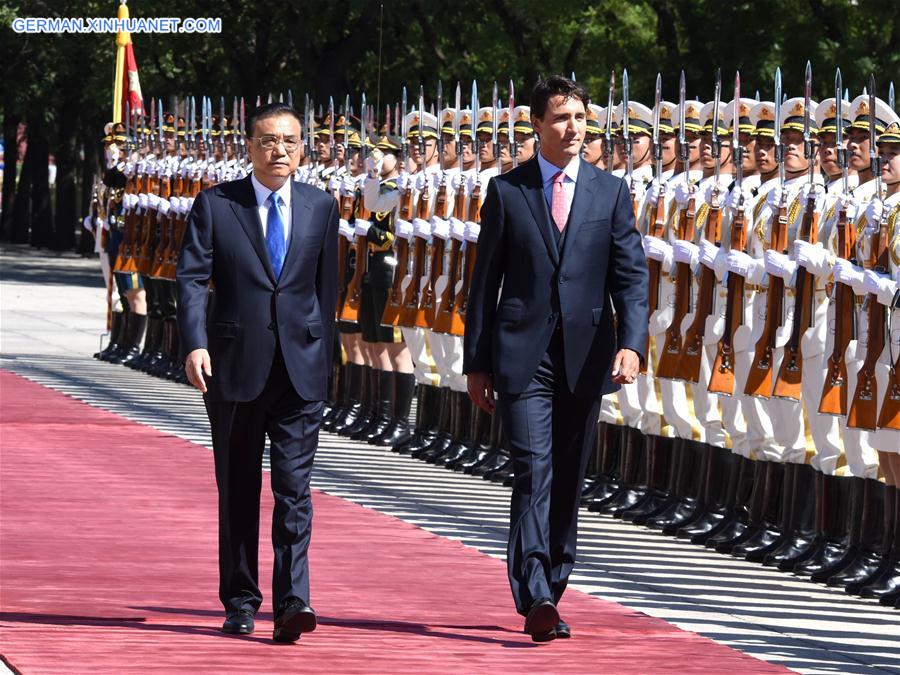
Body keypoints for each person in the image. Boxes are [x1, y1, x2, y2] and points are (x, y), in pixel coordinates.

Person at [463, 76, 648, 641]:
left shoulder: (609, 191)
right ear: (538, 125)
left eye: (581, 119)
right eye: (562, 118)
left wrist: (632, 343)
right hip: (522, 355)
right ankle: (535, 591)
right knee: (531, 469)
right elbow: (485, 282)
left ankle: (556, 576)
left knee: (568, 475)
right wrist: (477, 362)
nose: (573, 129)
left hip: (586, 354)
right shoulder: (507, 191)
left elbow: (630, 276)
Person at [176, 102, 338, 643]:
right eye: (269, 141)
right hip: (235, 369)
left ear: (303, 148)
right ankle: (241, 599)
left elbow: (326, 291)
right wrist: (195, 344)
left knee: (295, 490)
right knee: (239, 490)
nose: (280, 151)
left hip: (299, 371)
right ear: (249, 146)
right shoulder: (217, 205)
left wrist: (324, 356)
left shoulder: (320, 206)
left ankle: (294, 600)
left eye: (290, 141)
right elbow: (193, 279)